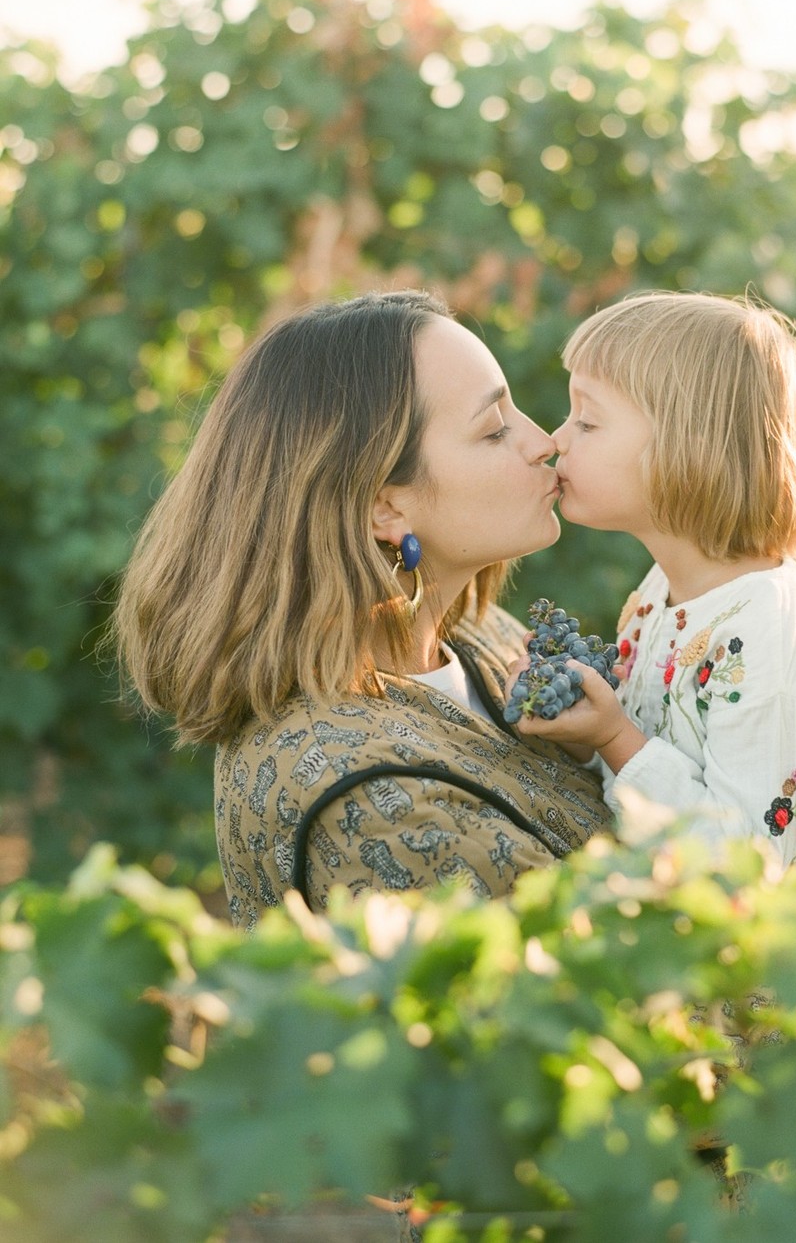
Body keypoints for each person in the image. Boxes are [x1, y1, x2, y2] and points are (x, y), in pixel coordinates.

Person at [114, 290, 612, 927]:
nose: (545, 443)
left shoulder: (479, 638)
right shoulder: (369, 798)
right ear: (385, 508)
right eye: (493, 430)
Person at [513, 291, 796, 867]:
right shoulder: (664, 592)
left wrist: (615, 739)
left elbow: (740, 865)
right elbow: (666, 759)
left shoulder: (774, 637)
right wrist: (585, 732)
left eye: (588, 420)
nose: (556, 439)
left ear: (685, 447)